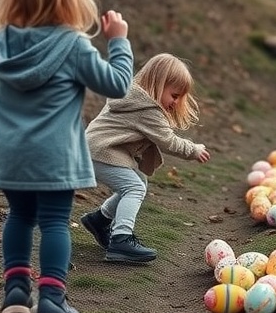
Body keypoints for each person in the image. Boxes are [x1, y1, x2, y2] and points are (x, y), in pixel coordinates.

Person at [0, 0, 133, 313]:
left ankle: (16, 291)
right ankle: (52, 299)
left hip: (9, 155)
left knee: (18, 216)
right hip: (54, 156)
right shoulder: (73, 46)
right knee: (53, 221)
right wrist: (118, 40)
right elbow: (118, 85)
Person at [82, 53, 211, 264]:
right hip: (101, 152)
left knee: (139, 181)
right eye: (175, 95)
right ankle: (121, 239)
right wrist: (193, 150)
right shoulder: (147, 109)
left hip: (97, 149)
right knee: (134, 188)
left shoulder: (131, 96)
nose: (176, 102)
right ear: (159, 84)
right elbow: (168, 142)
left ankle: (99, 220)